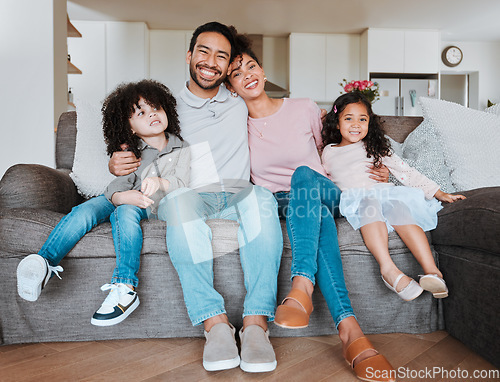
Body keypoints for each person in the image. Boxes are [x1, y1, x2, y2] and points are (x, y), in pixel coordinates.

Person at [109, 22, 282, 374]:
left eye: (222, 56)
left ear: (228, 65)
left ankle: (255, 325)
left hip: (236, 191)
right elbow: (137, 136)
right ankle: (214, 324)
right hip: (186, 192)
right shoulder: (167, 108)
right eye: (204, 51)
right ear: (190, 55)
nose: (211, 61)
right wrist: (116, 160)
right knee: (180, 202)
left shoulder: (238, 100)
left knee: (263, 199)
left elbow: (275, 110)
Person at [225, 35, 395, 382]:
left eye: (251, 66)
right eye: (237, 73)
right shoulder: (236, 127)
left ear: (262, 69)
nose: (248, 75)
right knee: (313, 214)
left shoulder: (302, 107)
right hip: (282, 203)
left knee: (306, 177)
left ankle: (302, 284)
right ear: (230, 87)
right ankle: (351, 333)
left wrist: (379, 168)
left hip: (325, 190)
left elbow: (334, 150)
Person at [16, 79, 190, 327]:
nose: (152, 114)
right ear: (129, 127)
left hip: (145, 204)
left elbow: (183, 182)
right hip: (117, 196)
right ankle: (44, 261)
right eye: (141, 112)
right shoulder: (130, 149)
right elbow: (119, 184)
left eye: (155, 108)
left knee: (126, 213)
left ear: (167, 111)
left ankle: (125, 286)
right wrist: (120, 197)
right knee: (84, 210)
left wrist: (160, 183)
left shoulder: (181, 147)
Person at [322, 92, 466, 301]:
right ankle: (388, 270)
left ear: (370, 123)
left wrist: (439, 192)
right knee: (369, 203)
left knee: (398, 207)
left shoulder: (374, 148)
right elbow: (319, 175)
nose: (356, 124)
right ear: (336, 123)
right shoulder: (327, 152)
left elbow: (405, 171)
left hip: (383, 193)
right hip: (358, 199)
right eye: (348, 118)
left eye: (362, 119)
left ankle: (433, 272)